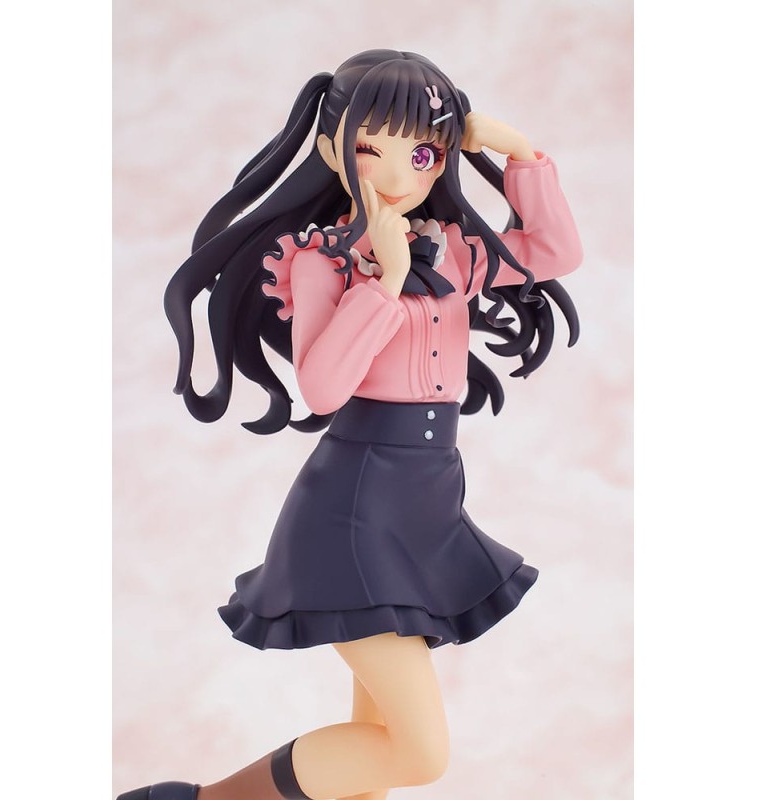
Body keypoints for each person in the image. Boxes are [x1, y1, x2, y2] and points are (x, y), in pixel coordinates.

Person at [117, 48, 583, 800]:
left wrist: (522, 154)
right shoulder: (323, 262)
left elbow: (555, 251)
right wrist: (385, 283)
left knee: (382, 734)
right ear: (334, 149)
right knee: (419, 754)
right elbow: (324, 388)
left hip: (429, 502)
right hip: (356, 509)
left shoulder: (454, 251)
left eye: (423, 153)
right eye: (372, 148)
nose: (398, 175)